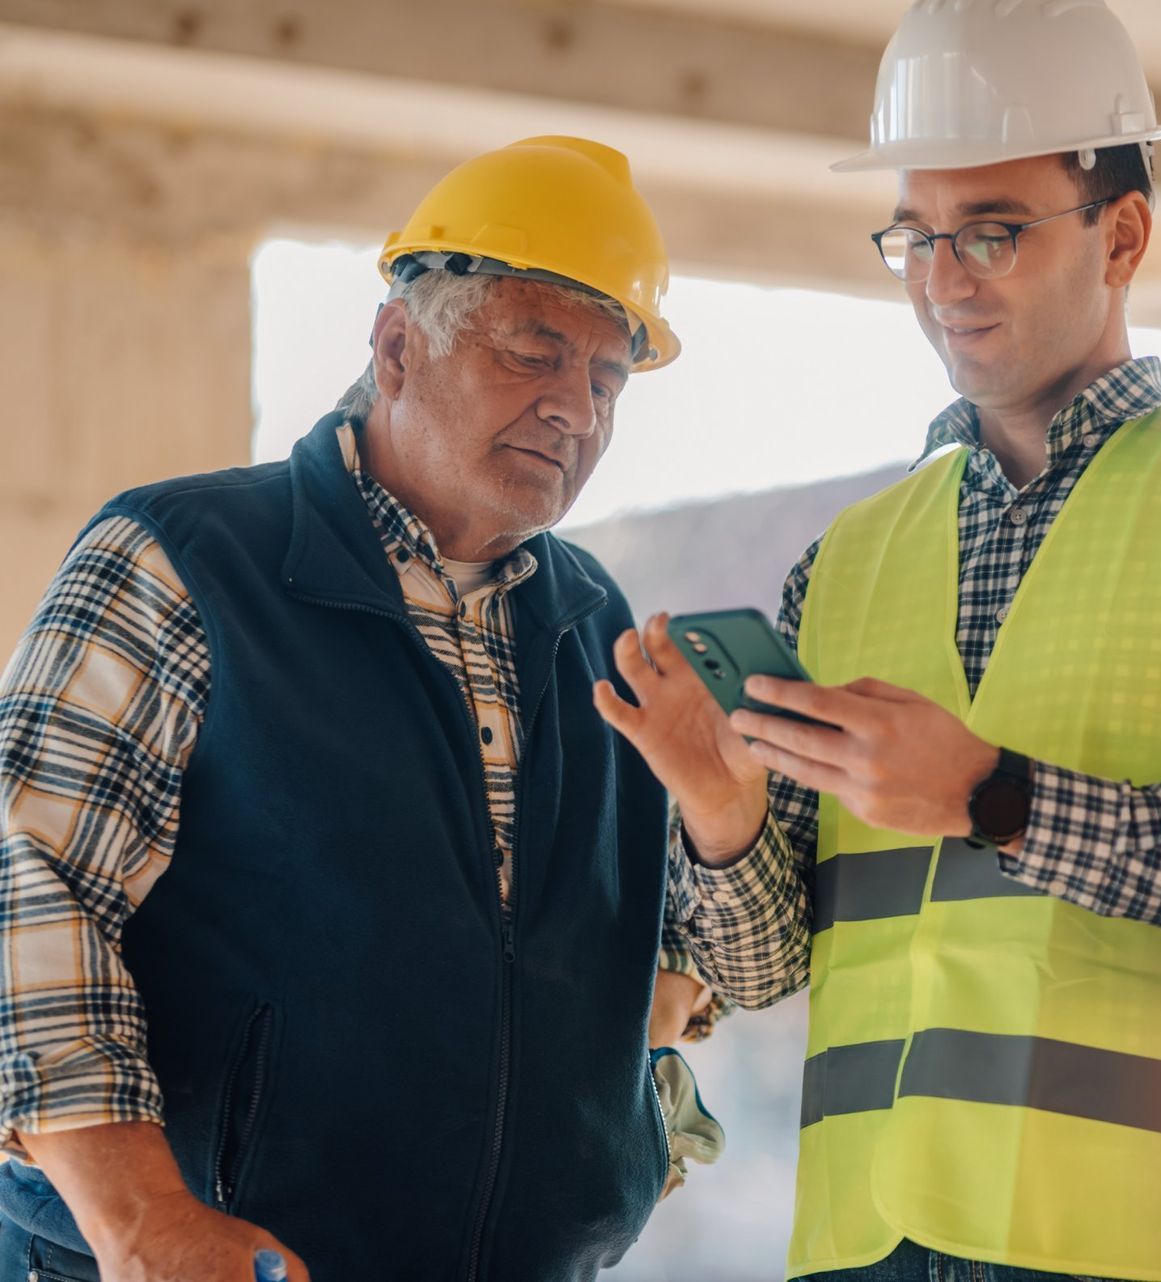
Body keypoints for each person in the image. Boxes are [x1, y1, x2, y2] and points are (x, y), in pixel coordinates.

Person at [597, 3, 1161, 1279]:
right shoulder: (849, 557)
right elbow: (757, 972)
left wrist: (999, 797)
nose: (940, 278)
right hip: (872, 1238)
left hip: (1152, 1240)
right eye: (913, 236)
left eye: (990, 232)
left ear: (1122, 232)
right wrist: (721, 811)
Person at [0, 135, 718, 1281]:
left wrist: (618, 1145)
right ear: (395, 346)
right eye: (536, 354)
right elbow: (30, 888)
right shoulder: (182, 560)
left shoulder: (596, 625)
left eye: (606, 380)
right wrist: (138, 1221)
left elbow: (667, 961)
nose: (574, 410)